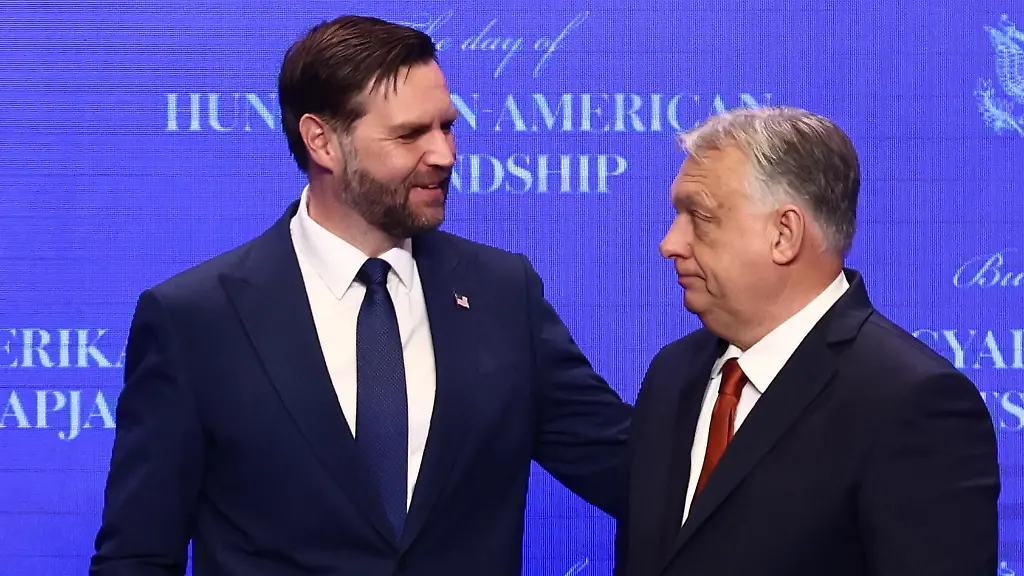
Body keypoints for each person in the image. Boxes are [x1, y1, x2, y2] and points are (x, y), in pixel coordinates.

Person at [90, 15, 631, 576]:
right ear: (322, 140)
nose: (444, 153)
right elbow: (137, 554)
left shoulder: (501, 294)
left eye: (447, 126)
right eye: (410, 134)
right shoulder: (195, 319)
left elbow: (638, 474)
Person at [614, 107, 1000, 576]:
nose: (670, 243)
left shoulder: (910, 400)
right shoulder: (672, 374)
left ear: (784, 234)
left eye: (699, 216)